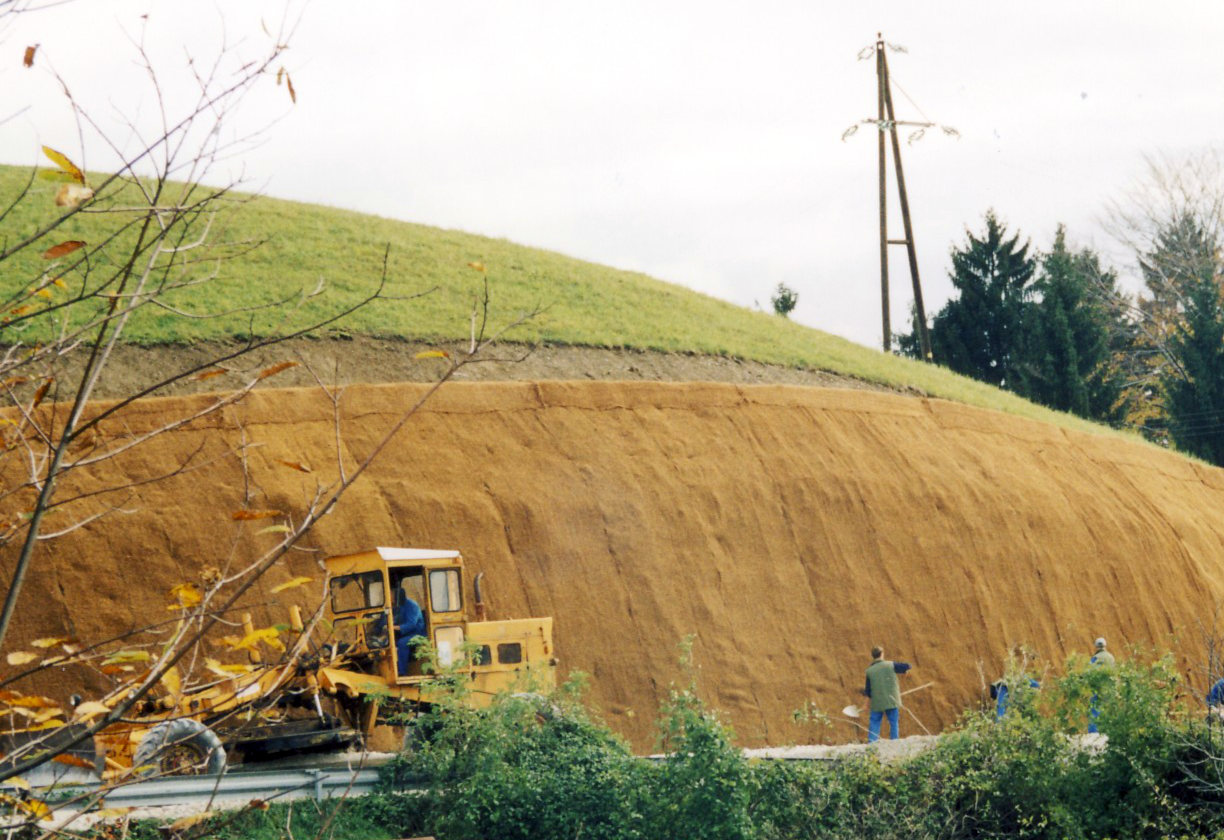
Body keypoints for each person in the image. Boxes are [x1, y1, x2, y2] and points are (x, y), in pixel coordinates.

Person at [862, 645, 912, 742]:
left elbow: (868, 691)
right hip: (891, 700)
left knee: (874, 722)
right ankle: (894, 741)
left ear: (873, 656)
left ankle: (872, 743)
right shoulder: (890, 665)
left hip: (877, 701)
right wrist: (905, 671)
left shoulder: (869, 671)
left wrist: (865, 705)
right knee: (893, 722)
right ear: (882, 654)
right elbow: (908, 666)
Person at [394, 586, 426, 676]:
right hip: (406, 633)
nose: (391, 598)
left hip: (417, 633)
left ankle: (402, 672)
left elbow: (411, 624)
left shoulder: (412, 606)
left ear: (399, 596)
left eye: (392, 595)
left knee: (401, 643)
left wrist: (395, 628)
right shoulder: (397, 606)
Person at [1087, 636, 1114, 733]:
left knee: (1094, 710)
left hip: (1098, 689)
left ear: (1096, 647)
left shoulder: (1096, 658)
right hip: (1109, 689)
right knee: (1108, 710)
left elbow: (1089, 672)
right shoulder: (1111, 657)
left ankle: (1094, 733)